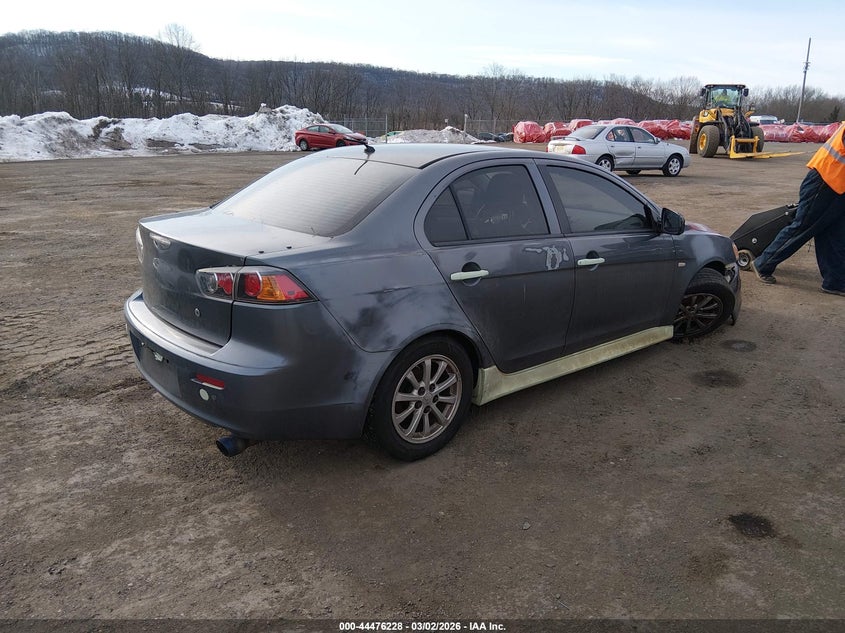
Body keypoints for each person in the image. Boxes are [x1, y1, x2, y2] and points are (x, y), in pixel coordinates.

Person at [750, 121, 845, 296]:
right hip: (824, 183)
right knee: (802, 227)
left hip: (837, 187)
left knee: (834, 235)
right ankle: (763, 263)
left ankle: (835, 281)